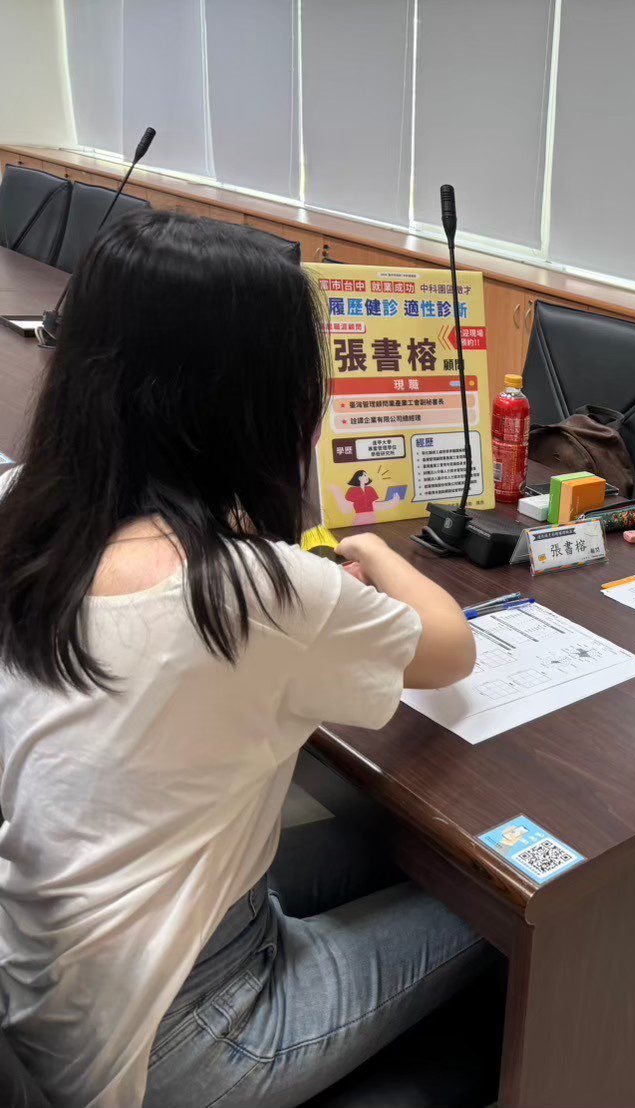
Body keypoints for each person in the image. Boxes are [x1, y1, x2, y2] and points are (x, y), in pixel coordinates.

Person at [0, 211, 495, 1107]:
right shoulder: (251, 592)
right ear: (256, 400)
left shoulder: (29, 523)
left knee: (384, 846)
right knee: (506, 915)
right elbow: (451, 650)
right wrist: (370, 551)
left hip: (49, 987)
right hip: (178, 1040)